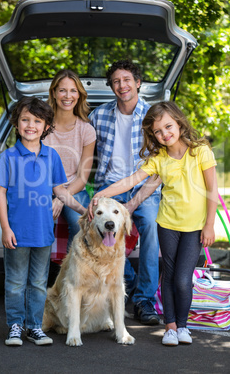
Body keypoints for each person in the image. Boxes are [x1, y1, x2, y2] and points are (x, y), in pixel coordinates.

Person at [89, 100, 218, 346]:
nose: (164, 134)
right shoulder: (159, 158)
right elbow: (130, 181)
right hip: (167, 224)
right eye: (157, 131)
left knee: (182, 278)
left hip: (194, 227)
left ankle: (183, 325)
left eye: (168, 127)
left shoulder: (200, 151)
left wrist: (210, 225)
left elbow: (212, 190)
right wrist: (101, 195)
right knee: (168, 276)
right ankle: (170, 328)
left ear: (179, 123)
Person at [0, 96, 86, 347]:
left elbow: (61, 191)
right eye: (25, 119)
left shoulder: (52, 156)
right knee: (14, 282)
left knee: (37, 282)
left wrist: (82, 209)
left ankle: (34, 326)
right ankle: (15, 325)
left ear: (46, 126)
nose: (30, 125)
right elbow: (0, 193)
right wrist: (5, 227)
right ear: (16, 123)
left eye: (37, 120)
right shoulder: (9, 157)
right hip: (16, 233)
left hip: (43, 233)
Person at [89, 60, 162, 325]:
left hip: (145, 189)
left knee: (152, 227)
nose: (122, 85)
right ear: (112, 87)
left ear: (138, 82)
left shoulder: (154, 116)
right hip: (109, 188)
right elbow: (81, 143)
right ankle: (128, 279)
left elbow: (159, 170)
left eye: (127, 79)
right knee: (91, 228)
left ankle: (144, 301)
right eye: (117, 81)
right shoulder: (98, 115)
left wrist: (133, 202)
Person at [43, 69, 96, 251]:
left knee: (80, 223)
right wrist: (56, 195)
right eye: (62, 90)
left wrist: (61, 198)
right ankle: (40, 275)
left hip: (73, 188)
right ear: (54, 93)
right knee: (41, 222)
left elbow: (82, 178)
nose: (68, 96)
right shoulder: (41, 125)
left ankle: (73, 273)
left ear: (79, 94)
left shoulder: (86, 130)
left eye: (73, 90)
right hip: (42, 187)